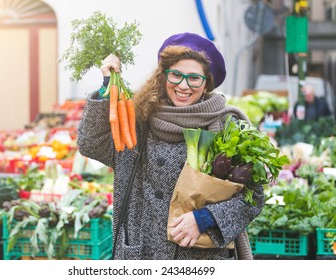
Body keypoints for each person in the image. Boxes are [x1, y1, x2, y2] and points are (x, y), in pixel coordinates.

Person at [77, 32, 264, 260]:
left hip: (200, 257)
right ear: (163, 77)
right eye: (176, 75)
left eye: (194, 78)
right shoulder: (140, 120)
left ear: (206, 85)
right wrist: (108, 86)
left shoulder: (226, 127)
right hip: (141, 253)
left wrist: (205, 219)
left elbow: (253, 197)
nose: (183, 86)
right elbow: (92, 144)